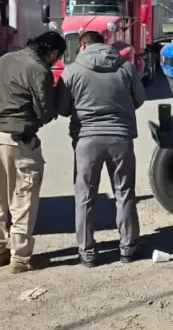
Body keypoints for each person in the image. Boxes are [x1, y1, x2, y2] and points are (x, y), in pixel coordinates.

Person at [57, 30, 146, 267]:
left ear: (83, 46)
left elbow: (64, 108)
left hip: (86, 140)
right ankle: (128, 247)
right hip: (121, 137)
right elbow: (139, 98)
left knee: (85, 196)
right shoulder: (125, 67)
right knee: (124, 192)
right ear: (103, 44)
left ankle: (87, 253)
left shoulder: (73, 70)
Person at [0, 32, 67, 273]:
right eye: (57, 58)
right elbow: (45, 113)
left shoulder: (4, 59)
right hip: (18, 138)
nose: (55, 62)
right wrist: (58, 91)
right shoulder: (39, 70)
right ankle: (19, 257)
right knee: (23, 196)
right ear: (52, 53)